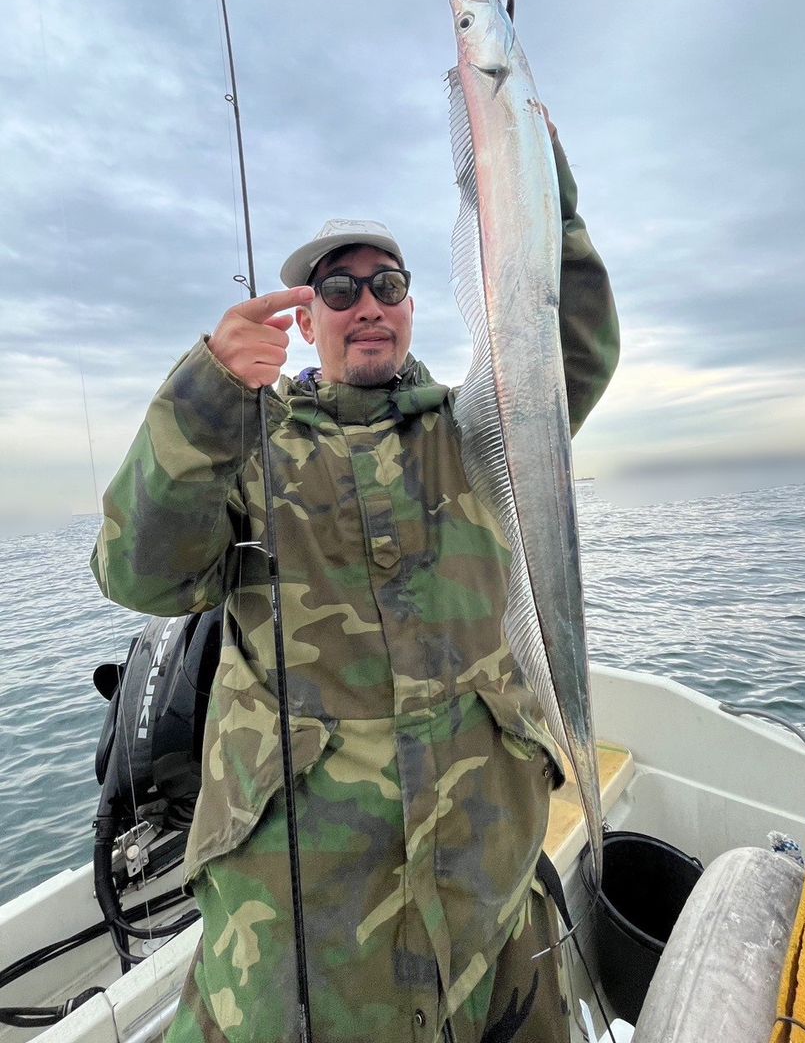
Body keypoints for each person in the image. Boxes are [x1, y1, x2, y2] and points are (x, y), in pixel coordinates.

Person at [91, 126, 619, 1043]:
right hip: (302, 942)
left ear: (411, 307)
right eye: (339, 290)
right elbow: (139, 569)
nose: (367, 305)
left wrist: (538, 186)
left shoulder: (477, 432)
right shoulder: (248, 449)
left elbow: (569, 350)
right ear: (306, 320)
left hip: (490, 908)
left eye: (389, 286)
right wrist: (210, 395)